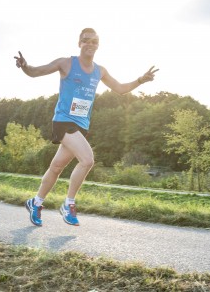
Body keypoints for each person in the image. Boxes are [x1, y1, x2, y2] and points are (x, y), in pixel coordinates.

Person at [14, 28, 159, 227]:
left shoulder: (100, 71)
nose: (90, 44)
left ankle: (36, 202)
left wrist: (141, 80)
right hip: (64, 121)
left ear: (98, 45)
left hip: (81, 124)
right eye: (86, 41)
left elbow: (120, 89)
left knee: (56, 167)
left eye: (94, 41)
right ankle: (69, 204)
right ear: (79, 43)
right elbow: (36, 72)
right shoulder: (66, 63)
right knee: (87, 160)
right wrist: (25, 66)